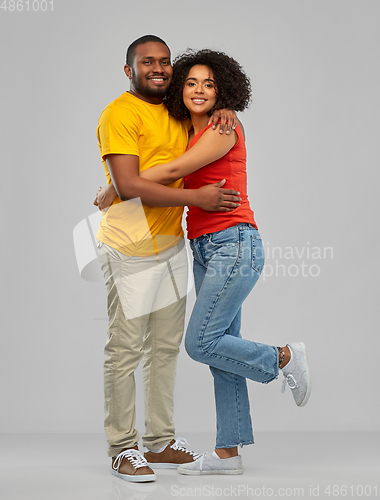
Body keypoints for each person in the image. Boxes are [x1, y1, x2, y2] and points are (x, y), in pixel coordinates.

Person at [103, 48, 312, 476]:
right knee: (208, 349)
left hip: (229, 243)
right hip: (190, 245)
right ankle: (226, 453)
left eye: (210, 84)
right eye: (192, 83)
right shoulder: (173, 122)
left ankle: (283, 357)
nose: (199, 90)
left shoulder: (221, 126)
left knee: (198, 344)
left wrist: (123, 186)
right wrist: (123, 185)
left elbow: (174, 167)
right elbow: (161, 168)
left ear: (224, 91)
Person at [94, 35, 241, 483]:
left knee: (163, 349)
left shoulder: (178, 110)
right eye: (147, 62)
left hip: (171, 245)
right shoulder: (119, 113)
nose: (158, 68)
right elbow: (134, 184)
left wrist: (227, 109)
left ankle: (159, 442)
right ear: (129, 70)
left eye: (164, 62)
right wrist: (195, 196)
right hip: (128, 247)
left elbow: (190, 150)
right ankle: (123, 448)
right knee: (125, 350)